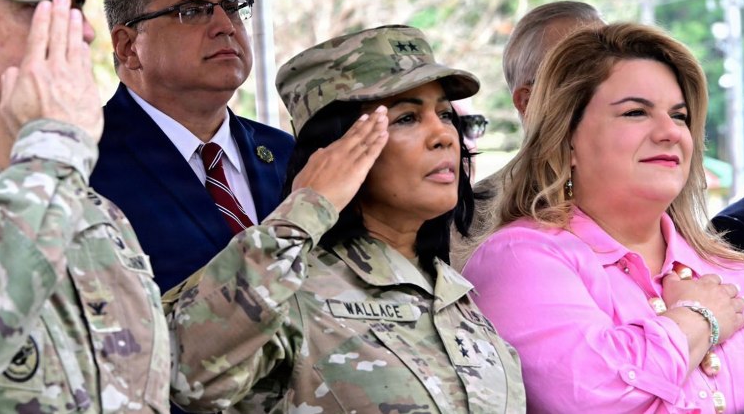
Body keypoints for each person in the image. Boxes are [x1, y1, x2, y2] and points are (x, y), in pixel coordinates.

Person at [163, 25, 526, 413]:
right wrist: (306, 209)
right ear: (337, 148)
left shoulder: (458, 296)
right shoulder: (285, 285)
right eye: (406, 118)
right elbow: (186, 372)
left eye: (444, 114)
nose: (444, 135)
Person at [463, 22, 744, 413]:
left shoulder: (731, 269)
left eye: (680, 116)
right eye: (636, 112)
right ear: (567, 139)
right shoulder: (519, 258)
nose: (670, 132)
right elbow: (592, 399)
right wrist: (698, 320)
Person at [0, 0, 169, 412]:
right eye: (46, 5)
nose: (81, 31)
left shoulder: (92, 209)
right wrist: (56, 146)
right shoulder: (59, 166)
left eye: (78, 5)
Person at [92, 0, 295, 294]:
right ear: (128, 47)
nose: (225, 26)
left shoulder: (284, 151)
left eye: (231, 7)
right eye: (192, 11)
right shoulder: (84, 163)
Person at [449, 0, 604, 270]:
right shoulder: (476, 213)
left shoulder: (654, 184)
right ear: (527, 101)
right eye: (582, 71)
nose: (608, 82)